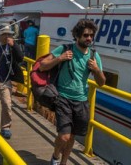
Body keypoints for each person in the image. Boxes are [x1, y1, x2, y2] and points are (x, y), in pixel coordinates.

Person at [39, 19, 106, 165]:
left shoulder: (94, 56)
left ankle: (64, 162)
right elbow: (43, 66)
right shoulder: (64, 49)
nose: (89, 38)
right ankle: (55, 156)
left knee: (72, 137)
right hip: (63, 98)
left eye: (91, 35)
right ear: (77, 36)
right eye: (85, 35)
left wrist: (96, 69)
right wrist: (60, 59)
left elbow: (101, 82)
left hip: (81, 101)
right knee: (64, 136)